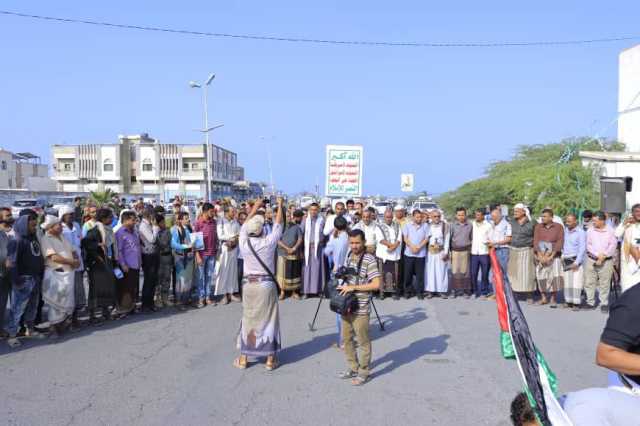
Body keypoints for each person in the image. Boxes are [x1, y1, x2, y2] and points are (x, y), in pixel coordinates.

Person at [234, 197, 284, 371]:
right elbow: (278, 224)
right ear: (262, 230)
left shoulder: (243, 241)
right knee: (270, 319)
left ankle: (243, 358)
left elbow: (246, 222)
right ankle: (270, 360)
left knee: (248, 317)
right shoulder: (268, 243)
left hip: (248, 285)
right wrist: (279, 205)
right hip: (266, 285)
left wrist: (255, 206)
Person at [336, 229, 381, 386]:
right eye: (352, 242)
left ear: (363, 242)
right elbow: (350, 278)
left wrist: (353, 287)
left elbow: (376, 284)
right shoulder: (349, 255)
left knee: (363, 341)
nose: (354, 246)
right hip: (347, 304)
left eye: (357, 243)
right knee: (347, 339)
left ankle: (364, 371)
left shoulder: (369, 259)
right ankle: (353, 367)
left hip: (361, 307)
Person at [6, 213, 45, 347]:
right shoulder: (16, 240)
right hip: (23, 280)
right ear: (24, 225)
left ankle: (30, 329)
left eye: (36, 224)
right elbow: (12, 262)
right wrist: (17, 281)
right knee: (17, 309)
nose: (36, 227)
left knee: (32, 307)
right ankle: (12, 335)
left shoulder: (33, 238)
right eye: (33, 225)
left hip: (35, 278)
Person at [40, 215, 80, 339]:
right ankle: (53, 328)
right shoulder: (46, 239)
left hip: (68, 273)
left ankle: (62, 325)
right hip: (56, 274)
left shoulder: (62, 237)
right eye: (58, 225)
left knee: (66, 300)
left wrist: (76, 258)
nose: (61, 226)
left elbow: (73, 249)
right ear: (50, 227)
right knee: (55, 303)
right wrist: (72, 262)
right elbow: (54, 257)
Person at [82, 208, 117, 324]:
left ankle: (105, 312)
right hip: (97, 264)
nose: (112, 219)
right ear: (103, 218)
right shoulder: (95, 230)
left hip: (107, 262)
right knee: (95, 290)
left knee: (107, 288)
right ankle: (92, 315)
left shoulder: (109, 230)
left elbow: (111, 245)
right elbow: (86, 242)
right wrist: (98, 245)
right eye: (109, 217)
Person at [324, 216, 350, 347]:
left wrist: (332, 238)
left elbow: (326, 252)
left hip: (338, 273)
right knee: (351, 303)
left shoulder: (336, 239)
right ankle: (348, 336)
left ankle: (343, 340)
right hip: (351, 274)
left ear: (336, 226)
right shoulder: (351, 238)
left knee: (340, 307)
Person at [584, 211, 617, 313]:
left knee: (604, 283)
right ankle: (590, 302)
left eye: (595, 220)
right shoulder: (590, 230)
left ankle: (604, 303)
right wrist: (597, 255)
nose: (593, 222)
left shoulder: (611, 231)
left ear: (602, 221)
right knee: (589, 281)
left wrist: (603, 256)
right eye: (593, 220)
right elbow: (588, 245)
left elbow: (613, 245)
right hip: (591, 259)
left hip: (606, 260)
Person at [59, 205, 86, 324]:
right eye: (68, 214)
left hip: (78, 260)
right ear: (62, 216)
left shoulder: (77, 226)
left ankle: (75, 317)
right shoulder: (60, 228)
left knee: (77, 290)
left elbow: (80, 241)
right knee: (67, 291)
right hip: (66, 262)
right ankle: (65, 318)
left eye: (72, 214)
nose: (70, 216)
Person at [533, 208, 564, 308]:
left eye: (545, 216)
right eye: (542, 216)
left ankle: (553, 298)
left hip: (553, 255)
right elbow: (536, 241)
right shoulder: (538, 227)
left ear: (551, 217)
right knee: (541, 276)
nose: (543, 218)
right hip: (541, 255)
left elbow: (560, 241)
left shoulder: (558, 227)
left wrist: (551, 255)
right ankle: (543, 298)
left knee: (554, 277)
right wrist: (540, 255)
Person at [508, 203, 537, 303]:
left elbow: (537, 237)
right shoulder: (511, 222)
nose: (514, 213)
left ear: (524, 212)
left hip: (527, 250)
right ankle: (515, 294)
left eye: (517, 211)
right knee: (514, 273)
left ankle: (529, 295)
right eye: (514, 211)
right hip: (513, 250)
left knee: (527, 274)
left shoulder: (532, 222)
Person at [115, 210, 142, 315]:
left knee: (133, 287)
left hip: (136, 264)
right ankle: (123, 309)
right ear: (125, 220)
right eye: (132, 220)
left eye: (135, 220)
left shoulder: (134, 232)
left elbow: (137, 248)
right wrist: (123, 264)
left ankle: (131, 307)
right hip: (127, 266)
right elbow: (119, 250)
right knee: (125, 288)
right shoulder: (120, 233)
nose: (135, 222)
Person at [214, 206, 241, 304]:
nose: (234, 213)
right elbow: (220, 235)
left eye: (234, 211)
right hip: (224, 248)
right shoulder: (221, 221)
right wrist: (231, 238)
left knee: (232, 271)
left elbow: (239, 233)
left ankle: (231, 293)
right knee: (223, 271)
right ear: (226, 212)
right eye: (232, 211)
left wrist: (234, 240)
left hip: (233, 248)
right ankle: (224, 294)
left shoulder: (235, 222)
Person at [193, 202, 218, 307]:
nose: (213, 213)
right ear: (204, 211)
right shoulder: (198, 223)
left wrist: (216, 252)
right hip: (202, 255)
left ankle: (208, 297)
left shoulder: (213, 222)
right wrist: (198, 256)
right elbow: (195, 241)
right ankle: (201, 298)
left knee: (209, 277)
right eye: (211, 211)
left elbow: (216, 238)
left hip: (212, 254)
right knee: (201, 277)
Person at [402, 209, 429, 299]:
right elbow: (405, 238)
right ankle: (407, 291)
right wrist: (412, 247)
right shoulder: (407, 225)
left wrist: (418, 247)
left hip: (420, 254)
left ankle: (419, 292)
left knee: (420, 275)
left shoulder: (425, 225)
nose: (419, 218)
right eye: (417, 217)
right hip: (409, 254)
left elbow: (426, 238)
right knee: (408, 274)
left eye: (420, 217)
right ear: (413, 217)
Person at [276, 209, 303, 300]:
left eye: (289, 216)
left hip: (294, 253)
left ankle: (294, 292)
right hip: (283, 253)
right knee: (282, 274)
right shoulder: (279, 227)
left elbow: (300, 239)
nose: (289, 218)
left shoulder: (296, 227)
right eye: (286, 216)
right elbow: (277, 240)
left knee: (293, 273)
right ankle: (282, 292)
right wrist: (287, 248)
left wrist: (294, 248)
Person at [375, 209, 402, 300]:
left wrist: (394, 246)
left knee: (395, 274)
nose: (389, 219)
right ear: (384, 217)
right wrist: (391, 246)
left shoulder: (397, 225)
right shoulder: (379, 226)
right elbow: (380, 239)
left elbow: (399, 238)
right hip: (384, 255)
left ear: (392, 217)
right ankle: (382, 293)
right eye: (387, 217)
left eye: (390, 217)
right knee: (382, 274)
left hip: (395, 255)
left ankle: (394, 292)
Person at [562, 213, 586, 311]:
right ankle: (568, 301)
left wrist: (577, 262)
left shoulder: (580, 232)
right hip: (566, 259)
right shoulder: (566, 230)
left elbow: (582, 248)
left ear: (575, 221)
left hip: (576, 260)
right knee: (567, 282)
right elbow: (564, 245)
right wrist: (563, 255)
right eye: (566, 221)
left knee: (576, 282)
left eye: (569, 221)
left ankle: (576, 303)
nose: (567, 223)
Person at [171, 212, 194, 310]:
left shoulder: (187, 229)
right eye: (185, 218)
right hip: (180, 257)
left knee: (188, 279)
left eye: (188, 218)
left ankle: (186, 299)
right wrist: (184, 246)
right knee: (181, 280)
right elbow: (173, 244)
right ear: (180, 220)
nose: (187, 220)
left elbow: (191, 240)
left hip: (188, 256)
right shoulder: (176, 230)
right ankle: (179, 301)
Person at [488, 206, 512, 300]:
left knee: (503, 273)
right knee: (494, 273)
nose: (492, 218)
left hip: (502, 251)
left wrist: (495, 243)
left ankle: (505, 293)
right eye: (492, 216)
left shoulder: (506, 225)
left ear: (499, 215)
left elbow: (509, 239)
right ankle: (496, 293)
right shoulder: (493, 225)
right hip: (493, 250)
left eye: (494, 216)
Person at [302, 203, 325, 298]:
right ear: (309, 210)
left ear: (318, 210)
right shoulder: (305, 221)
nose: (313, 211)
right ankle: (306, 291)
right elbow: (300, 233)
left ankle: (319, 291)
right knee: (307, 269)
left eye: (315, 210)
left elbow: (325, 233)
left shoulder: (322, 221)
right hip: (307, 248)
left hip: (318, 248)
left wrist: (322, 241)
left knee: (318, 270)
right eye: (311, 210)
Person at [425, 210, 450, 298]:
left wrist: (446, 252)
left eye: (438, 216)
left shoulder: (445, 226)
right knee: (430, 271)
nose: (437, 218)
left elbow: (447, 240)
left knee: (441, 271)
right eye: (434, 216)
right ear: (431, 217)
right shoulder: (427, 226)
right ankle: (430, 291)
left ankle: (441, 291)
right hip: (430, 252)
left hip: (441, 251)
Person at [615, 203, 640, 293]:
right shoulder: (627, 223)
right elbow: (617, 234)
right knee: (627, 286)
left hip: (639, 260)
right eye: (636, 211)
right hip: (627, 261)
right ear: (632, 213)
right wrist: (624, 224)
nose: (639, 213)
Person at [139, 206, 159, 313]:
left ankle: (150, 303)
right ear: (150, 215)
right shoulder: (143, 226)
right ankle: (145, 304)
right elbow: (152, 239)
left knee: (152, 280)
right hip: (148, 256)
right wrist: (155, 227)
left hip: (152, 254)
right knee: (148, 280)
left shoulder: (148, 224)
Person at [450, 207, 472, 298]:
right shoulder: (452, 225)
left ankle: (465, 290)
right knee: (455, 271)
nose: (461, 217)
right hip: (455, 251)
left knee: (465, 271)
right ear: (456, 215)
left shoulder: (470, 225)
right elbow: (449, 239)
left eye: (462, 214)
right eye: (459, 215)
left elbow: (472, 238)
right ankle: (454, 290)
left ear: (465, 215)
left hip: (466, 251)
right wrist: (449, 252)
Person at [470, 208, 492, 299]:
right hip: (474, 252)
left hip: (485, 252)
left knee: (485, 273)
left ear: (483, 216)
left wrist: (488, 243)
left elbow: (491, 238)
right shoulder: (472, 224)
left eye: (478, 215)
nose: (476, 216)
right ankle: (474, 291)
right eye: (476, 215)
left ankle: (484, 291)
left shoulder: (489, 225)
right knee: (473, 273)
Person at [0, 208, 14, 339]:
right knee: (2, 302)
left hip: (12, 273)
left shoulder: (10, 233)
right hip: (1, 274)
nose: (10, 217)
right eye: (7, 215)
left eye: (10, 215)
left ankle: (12, 327)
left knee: (13, 301)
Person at [155, 213, 173, 308]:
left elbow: (164, 244)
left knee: (166, 278)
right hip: (158, 258)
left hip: (167, 257)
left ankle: (165, 298)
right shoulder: (154, 232)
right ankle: (157, 299)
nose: (163, 224)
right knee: (158, 279)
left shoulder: (167, 231)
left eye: (163, 222)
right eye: (161, 222)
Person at [237, 210, 247, 296]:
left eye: (245, 219)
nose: (243, 220)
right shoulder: (237, 228)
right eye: (241, 219)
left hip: (248, 256)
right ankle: (239, 292)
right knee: (239, 274)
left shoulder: (249, 228)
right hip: (238, 256)